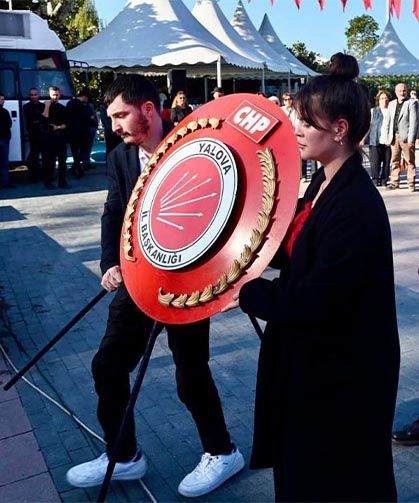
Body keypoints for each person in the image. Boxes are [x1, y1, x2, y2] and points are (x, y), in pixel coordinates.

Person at [224, 53, 400, 502]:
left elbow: (317, 298)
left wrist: (248, 293)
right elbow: (292, 250)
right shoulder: (323, 182)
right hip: (314, 360)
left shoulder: (356, 204)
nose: (295, 129)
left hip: (345, 370)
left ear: (340, 129)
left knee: (337, 476)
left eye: (305, 121)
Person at [65, 75, 244, 497]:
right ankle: (123, 455)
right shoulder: (120, 158)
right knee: (107, 366)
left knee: (190, 373)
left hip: (187, 282)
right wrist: (109, 261)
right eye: (110, 119)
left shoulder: (195, 143)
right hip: (136, 279)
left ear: (148, 109)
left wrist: (228, 275)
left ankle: (222, 452)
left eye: (120, 115)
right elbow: (114, 212)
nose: (115, 127)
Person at [382, 82, 418, 192]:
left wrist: (412, 138)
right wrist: (386, 137)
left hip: (406, 137)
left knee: (410, 160)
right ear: (396, 92)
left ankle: (411, 182)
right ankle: (394, 182)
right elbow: (387, 121)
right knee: (394, 160)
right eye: (400, 91)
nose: (402, 93)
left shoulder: (412, 103)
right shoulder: (392, 104)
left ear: (406, 91)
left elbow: (414, 122)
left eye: (404, 91)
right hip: (394, 136)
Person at [42, 86, 70, 189]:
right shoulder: (44, 106)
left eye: (57, 95)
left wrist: (57, 127)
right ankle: (48, 182)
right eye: (53, 95)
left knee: (62, 161)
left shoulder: (62, 108)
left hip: (60, 137)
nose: (55, 97)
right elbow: (44, 119)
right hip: (49, 138)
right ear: (49, 94)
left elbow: (66, 124)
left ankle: (62, 182)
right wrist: (47, 106)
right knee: (50, 161)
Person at [366, 89, 392, 187]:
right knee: (375, 162)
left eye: (386, 98)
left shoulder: (391, 111)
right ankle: (375, 179)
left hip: (388, 140)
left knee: (386, 163)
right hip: (374, 140)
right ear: (378, 100)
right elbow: (368, 126)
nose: (384, 100)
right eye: (382, 98)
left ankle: (385, 179)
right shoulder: (373, 111)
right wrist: (363, 138)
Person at [66, 89, 92, 178]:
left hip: (72, 132)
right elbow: (87, 117)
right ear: (84, 97)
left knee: (75, 152)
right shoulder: (82, 105)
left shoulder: (70, 103)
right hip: (82, 132)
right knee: (82, 152)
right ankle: (77, 169)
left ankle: (75, 167)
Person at [23, 87, 45, 182]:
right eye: (32, 95)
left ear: (38, 95)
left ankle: (44, 173)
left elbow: (43, 118)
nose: (33, 97)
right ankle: (34, 175)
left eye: (35, 95)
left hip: (43, 133)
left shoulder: (42, 106)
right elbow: (33, 119)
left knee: (45, 155)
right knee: (34, 156)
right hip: (34, 134)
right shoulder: (27, 106)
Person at [0, 93, 13, 189]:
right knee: (4, 162)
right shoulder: (4, 112)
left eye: (3, 99)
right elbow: (8, 124)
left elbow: (9, 124)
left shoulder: (5, 111)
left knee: (4, 162)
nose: (3, 101)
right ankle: (5, 183)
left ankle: (5, 182)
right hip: (4, 139)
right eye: (1, 99)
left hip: (4, 139)